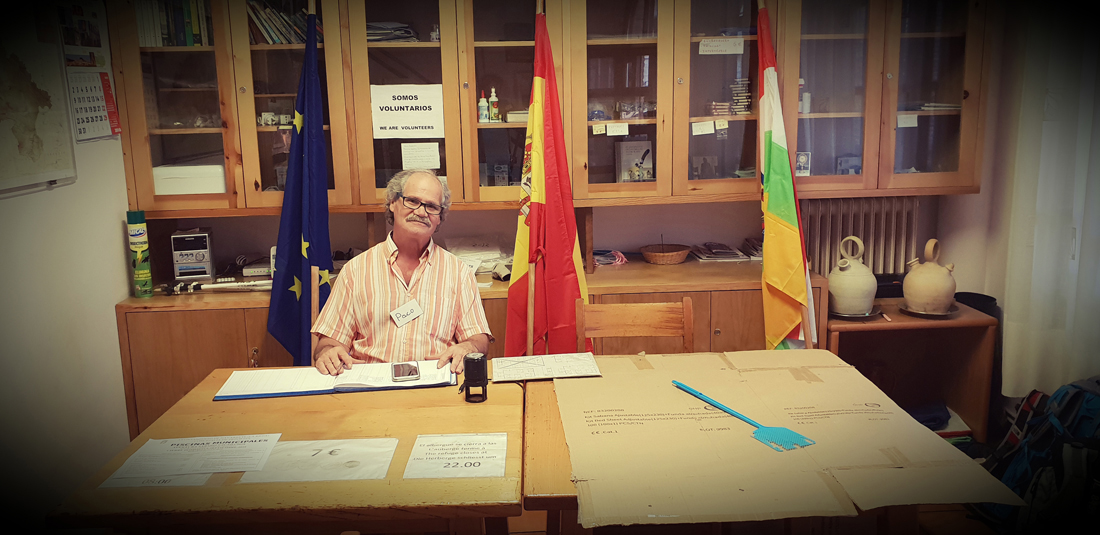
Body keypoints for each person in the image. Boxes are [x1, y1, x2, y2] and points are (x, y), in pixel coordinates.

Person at [310, 169, 492, 376]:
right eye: (412, 201)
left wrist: (468, 347)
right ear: (392, 203)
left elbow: (478, 339)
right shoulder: (355, 270)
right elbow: (329, 341)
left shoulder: (459, 272)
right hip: (371, 382)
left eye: (432, 206)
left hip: (436, 380)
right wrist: (329, 353)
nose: (421, 212)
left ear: (439, 218)